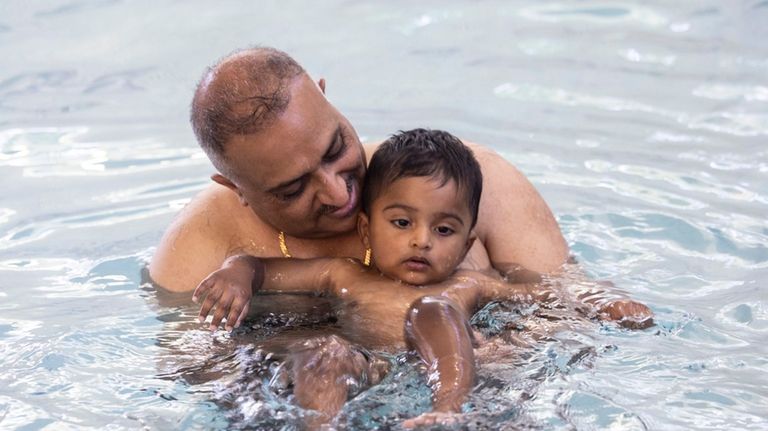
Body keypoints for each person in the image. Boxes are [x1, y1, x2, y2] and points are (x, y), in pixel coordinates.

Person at [192, 129, 652, 426]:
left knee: (434, 309)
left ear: (469, 242)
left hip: (452, 373)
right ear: (366, 227)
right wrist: (237, 273)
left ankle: (447, 410)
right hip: (375, 368)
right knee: (323, 352)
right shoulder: (344, 274)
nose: (422, 241)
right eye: (402, 223)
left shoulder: (467, 286)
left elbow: (544, 295)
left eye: (444, 229)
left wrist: (603, 303)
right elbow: (267, 270)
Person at [148, 46, 570, 295]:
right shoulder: (200, 245)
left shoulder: (468, 184)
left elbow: (568, 313)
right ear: (234, 187)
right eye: (293, 189)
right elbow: (196, 375)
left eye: (335, 149)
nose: (336, 193)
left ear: (326, 98)